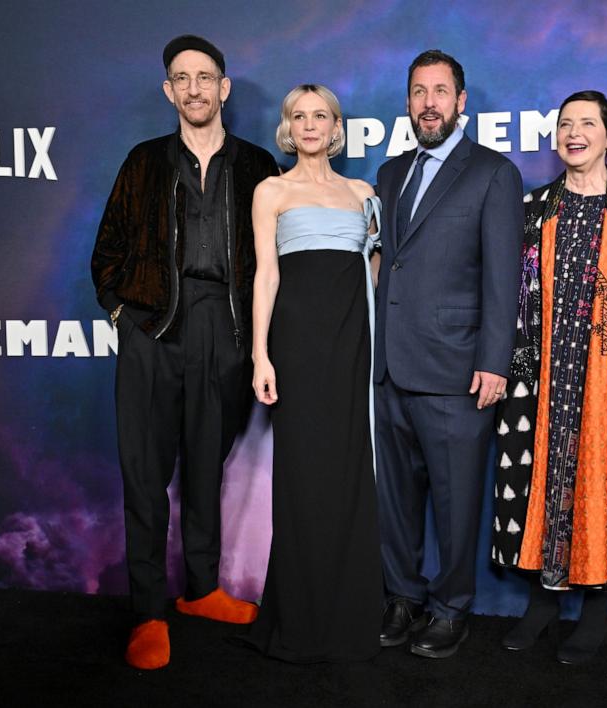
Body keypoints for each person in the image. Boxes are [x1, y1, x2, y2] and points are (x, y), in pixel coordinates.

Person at [91, 35, 280, 669]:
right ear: (169, 92)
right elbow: (106, 253)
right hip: (153, 332)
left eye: (206, 77)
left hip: (224, 333)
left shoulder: (257, 166)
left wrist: (258, 343)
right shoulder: (143, 162)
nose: (195, 87)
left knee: (206, 465)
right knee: (145, 475)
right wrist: (124, 316)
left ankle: (201, 589)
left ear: (224, 88)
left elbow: (279, 260)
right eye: (182, 78)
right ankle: (148, 611)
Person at [491, 91, 607, 664]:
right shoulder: (532, 209)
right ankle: (542, 603)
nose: (574, 133)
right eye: (565, 124)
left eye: (587, 124)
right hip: (536, 377)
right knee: (536, 476)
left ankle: (595, 609)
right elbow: (508, 297)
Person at [375, 49, 525, 659]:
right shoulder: (389, 174)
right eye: (418, 91)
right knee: (396, 501)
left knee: (458, 500)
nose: (429, 102)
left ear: (461, 101)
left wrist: (494, 361)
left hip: (459, 369)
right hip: (389, 367)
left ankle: (450, 606)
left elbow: (503, 277)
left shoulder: (492, 172)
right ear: (408, 102)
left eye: (440, 91)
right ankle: (402, 596)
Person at [234, 84, 383, 662]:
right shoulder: (271, 190)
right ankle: (298, 617)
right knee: (301, 477)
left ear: (336, 125)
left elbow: (371, 272)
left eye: (321, 115)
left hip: (352, 348)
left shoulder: (362, 192)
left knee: (349, 472)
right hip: (296, 349)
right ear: (288, 128)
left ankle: (350, 615)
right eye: (301, 116)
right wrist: (261, 355)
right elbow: (264, 276)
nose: (311, 124)